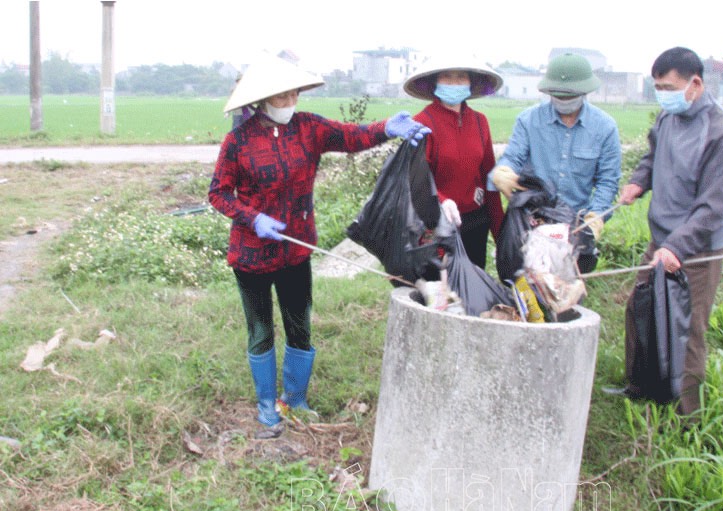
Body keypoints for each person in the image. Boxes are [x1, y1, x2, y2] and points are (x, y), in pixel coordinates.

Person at [209, 53, 429, 439]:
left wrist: (386, 129)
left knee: (300, 326)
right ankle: (266, 404)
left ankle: (295, 397)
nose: (289, 103)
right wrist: (252, 218)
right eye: (281, 98)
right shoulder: (238, 141)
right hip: (252, 256)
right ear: (261, 101)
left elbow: (350, 136)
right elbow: (219, 194)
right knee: (260, 330)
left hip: (296, 251)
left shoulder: (309, 128)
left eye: (294, 94)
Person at [601, 47, 723, 417]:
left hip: (697, 250)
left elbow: (712, 208)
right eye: (658, 87)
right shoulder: (667, 118)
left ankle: (686, 413)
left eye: (669, 86)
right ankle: (639, 387)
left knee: (687, 328)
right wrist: (637, 183)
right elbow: (652, 156)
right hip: (660, 239)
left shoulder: (721, 134)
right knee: (639, 309)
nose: (663, 93)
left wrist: (677, 248)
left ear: (695, 84)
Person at [489, 52, 622, 250]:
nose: (564, 100)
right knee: (526, 275)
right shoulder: (528, 121)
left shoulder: (604, 128)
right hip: (531, 221)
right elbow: (513, 157)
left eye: (570, 95)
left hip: (575, 223)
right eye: (558, 95)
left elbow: (607, 181)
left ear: (584, 92)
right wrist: (504, 171)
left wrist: (595, 217)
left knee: (567, 278)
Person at [403, 55, 505, 269]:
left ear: (471, 82)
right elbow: (416, 180)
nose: (454, 83)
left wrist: (501, 235)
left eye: (461, 77)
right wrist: (442, 201)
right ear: (435, 83)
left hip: (476, 221)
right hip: (436, 222)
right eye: (447, 77)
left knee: (473, 288)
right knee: (441, 291)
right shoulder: (422, 123)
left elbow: (490, 180)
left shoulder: (480, 122)